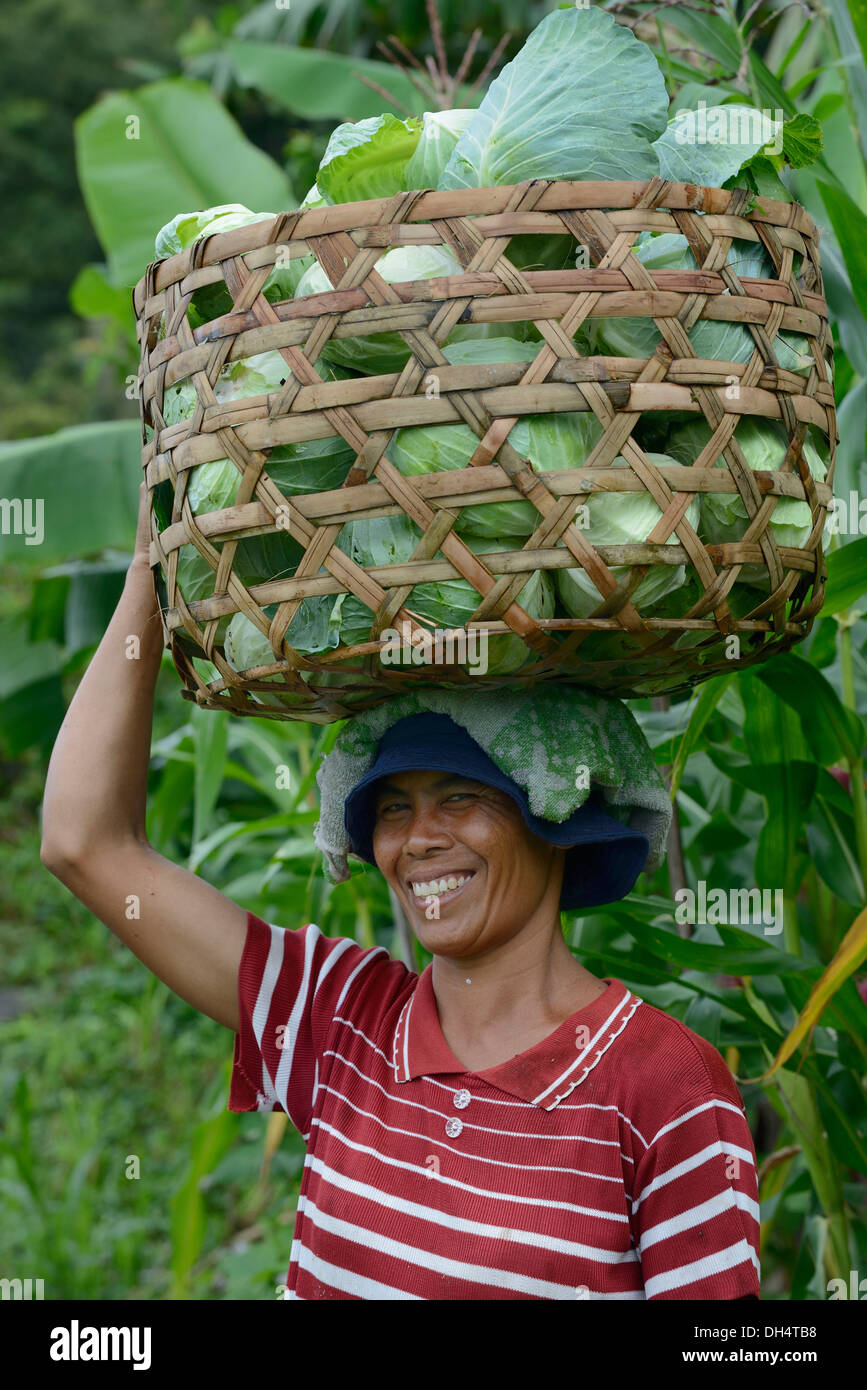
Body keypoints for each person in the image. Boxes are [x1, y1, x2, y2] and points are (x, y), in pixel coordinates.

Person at [41, 483, 761, 1301]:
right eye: (391, 805)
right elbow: (85, 842)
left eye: (461, 797)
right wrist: (149, 568)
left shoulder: (662, 1086)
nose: (416, 838)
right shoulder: (338, 1019)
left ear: (555, 816)